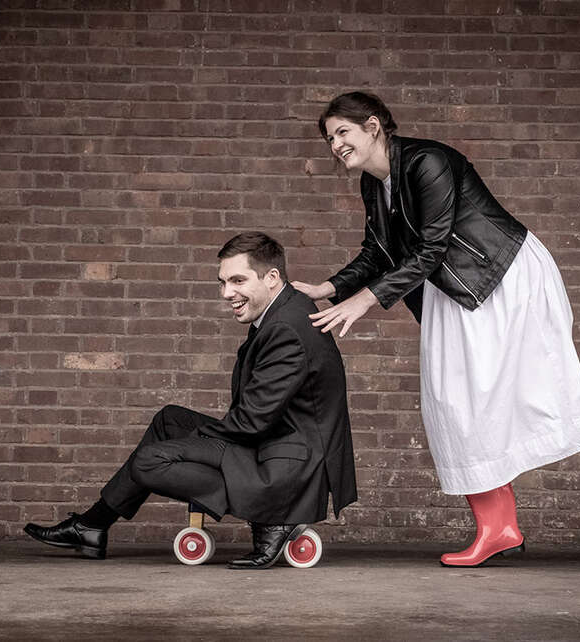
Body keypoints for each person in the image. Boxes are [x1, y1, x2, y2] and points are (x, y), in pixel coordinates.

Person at [292, 91, 580, 567]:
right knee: (454, 402)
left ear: (373, 126)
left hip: (502, 275)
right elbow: (378, 251)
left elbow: (432, 247)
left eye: (342, 132)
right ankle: (498, 527)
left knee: (539, 393)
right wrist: (326, 287)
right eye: (330, 138)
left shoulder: (427, 162)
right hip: (453, 290)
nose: (335, 145)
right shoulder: (376, 185)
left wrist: (365, 300)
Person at [25, 232, 357, 569]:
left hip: (286, 468)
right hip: (273, 442)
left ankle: (272, 515)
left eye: (238, 280)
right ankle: (92, 526)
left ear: (272, 278)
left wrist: (187, 448)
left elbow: (251, 423)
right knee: (170, 420)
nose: (227, 293)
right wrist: (190, 442)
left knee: (150, 461)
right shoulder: (281, 309)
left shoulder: (286, 326)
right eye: (223, 282)